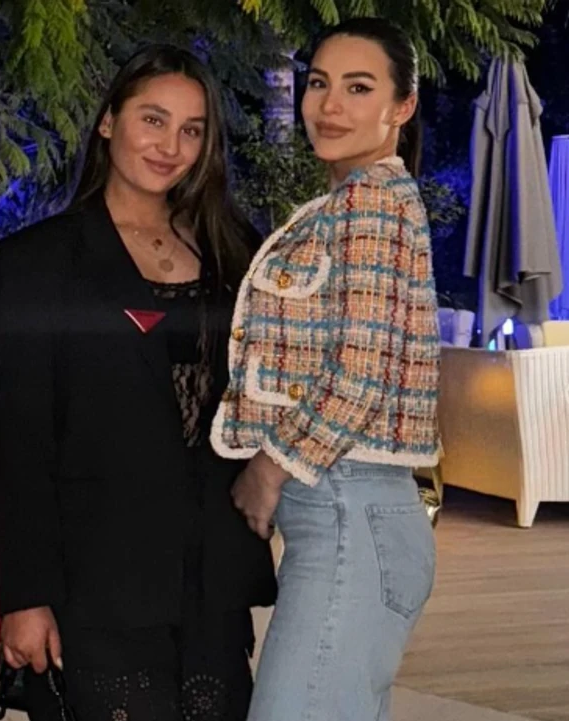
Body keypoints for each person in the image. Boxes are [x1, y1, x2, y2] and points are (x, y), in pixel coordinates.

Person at [0, 44, 277, 721]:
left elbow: (273, 386)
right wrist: (23, 596)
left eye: (191, 129)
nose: (170, 146)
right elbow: (16, 441)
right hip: (94, 588)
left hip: (211, 586)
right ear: (108, 121)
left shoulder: (236, 249)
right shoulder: (39, 261)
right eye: (153, 119)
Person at [211, 17, 440, 721]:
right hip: (353, 517)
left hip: (348, 512)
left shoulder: (370, 202)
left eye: (359, 87)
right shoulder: (358, 201)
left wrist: (268, 469)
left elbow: (358, 373)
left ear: (402, 105)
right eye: (319, 83)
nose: (330, 105)